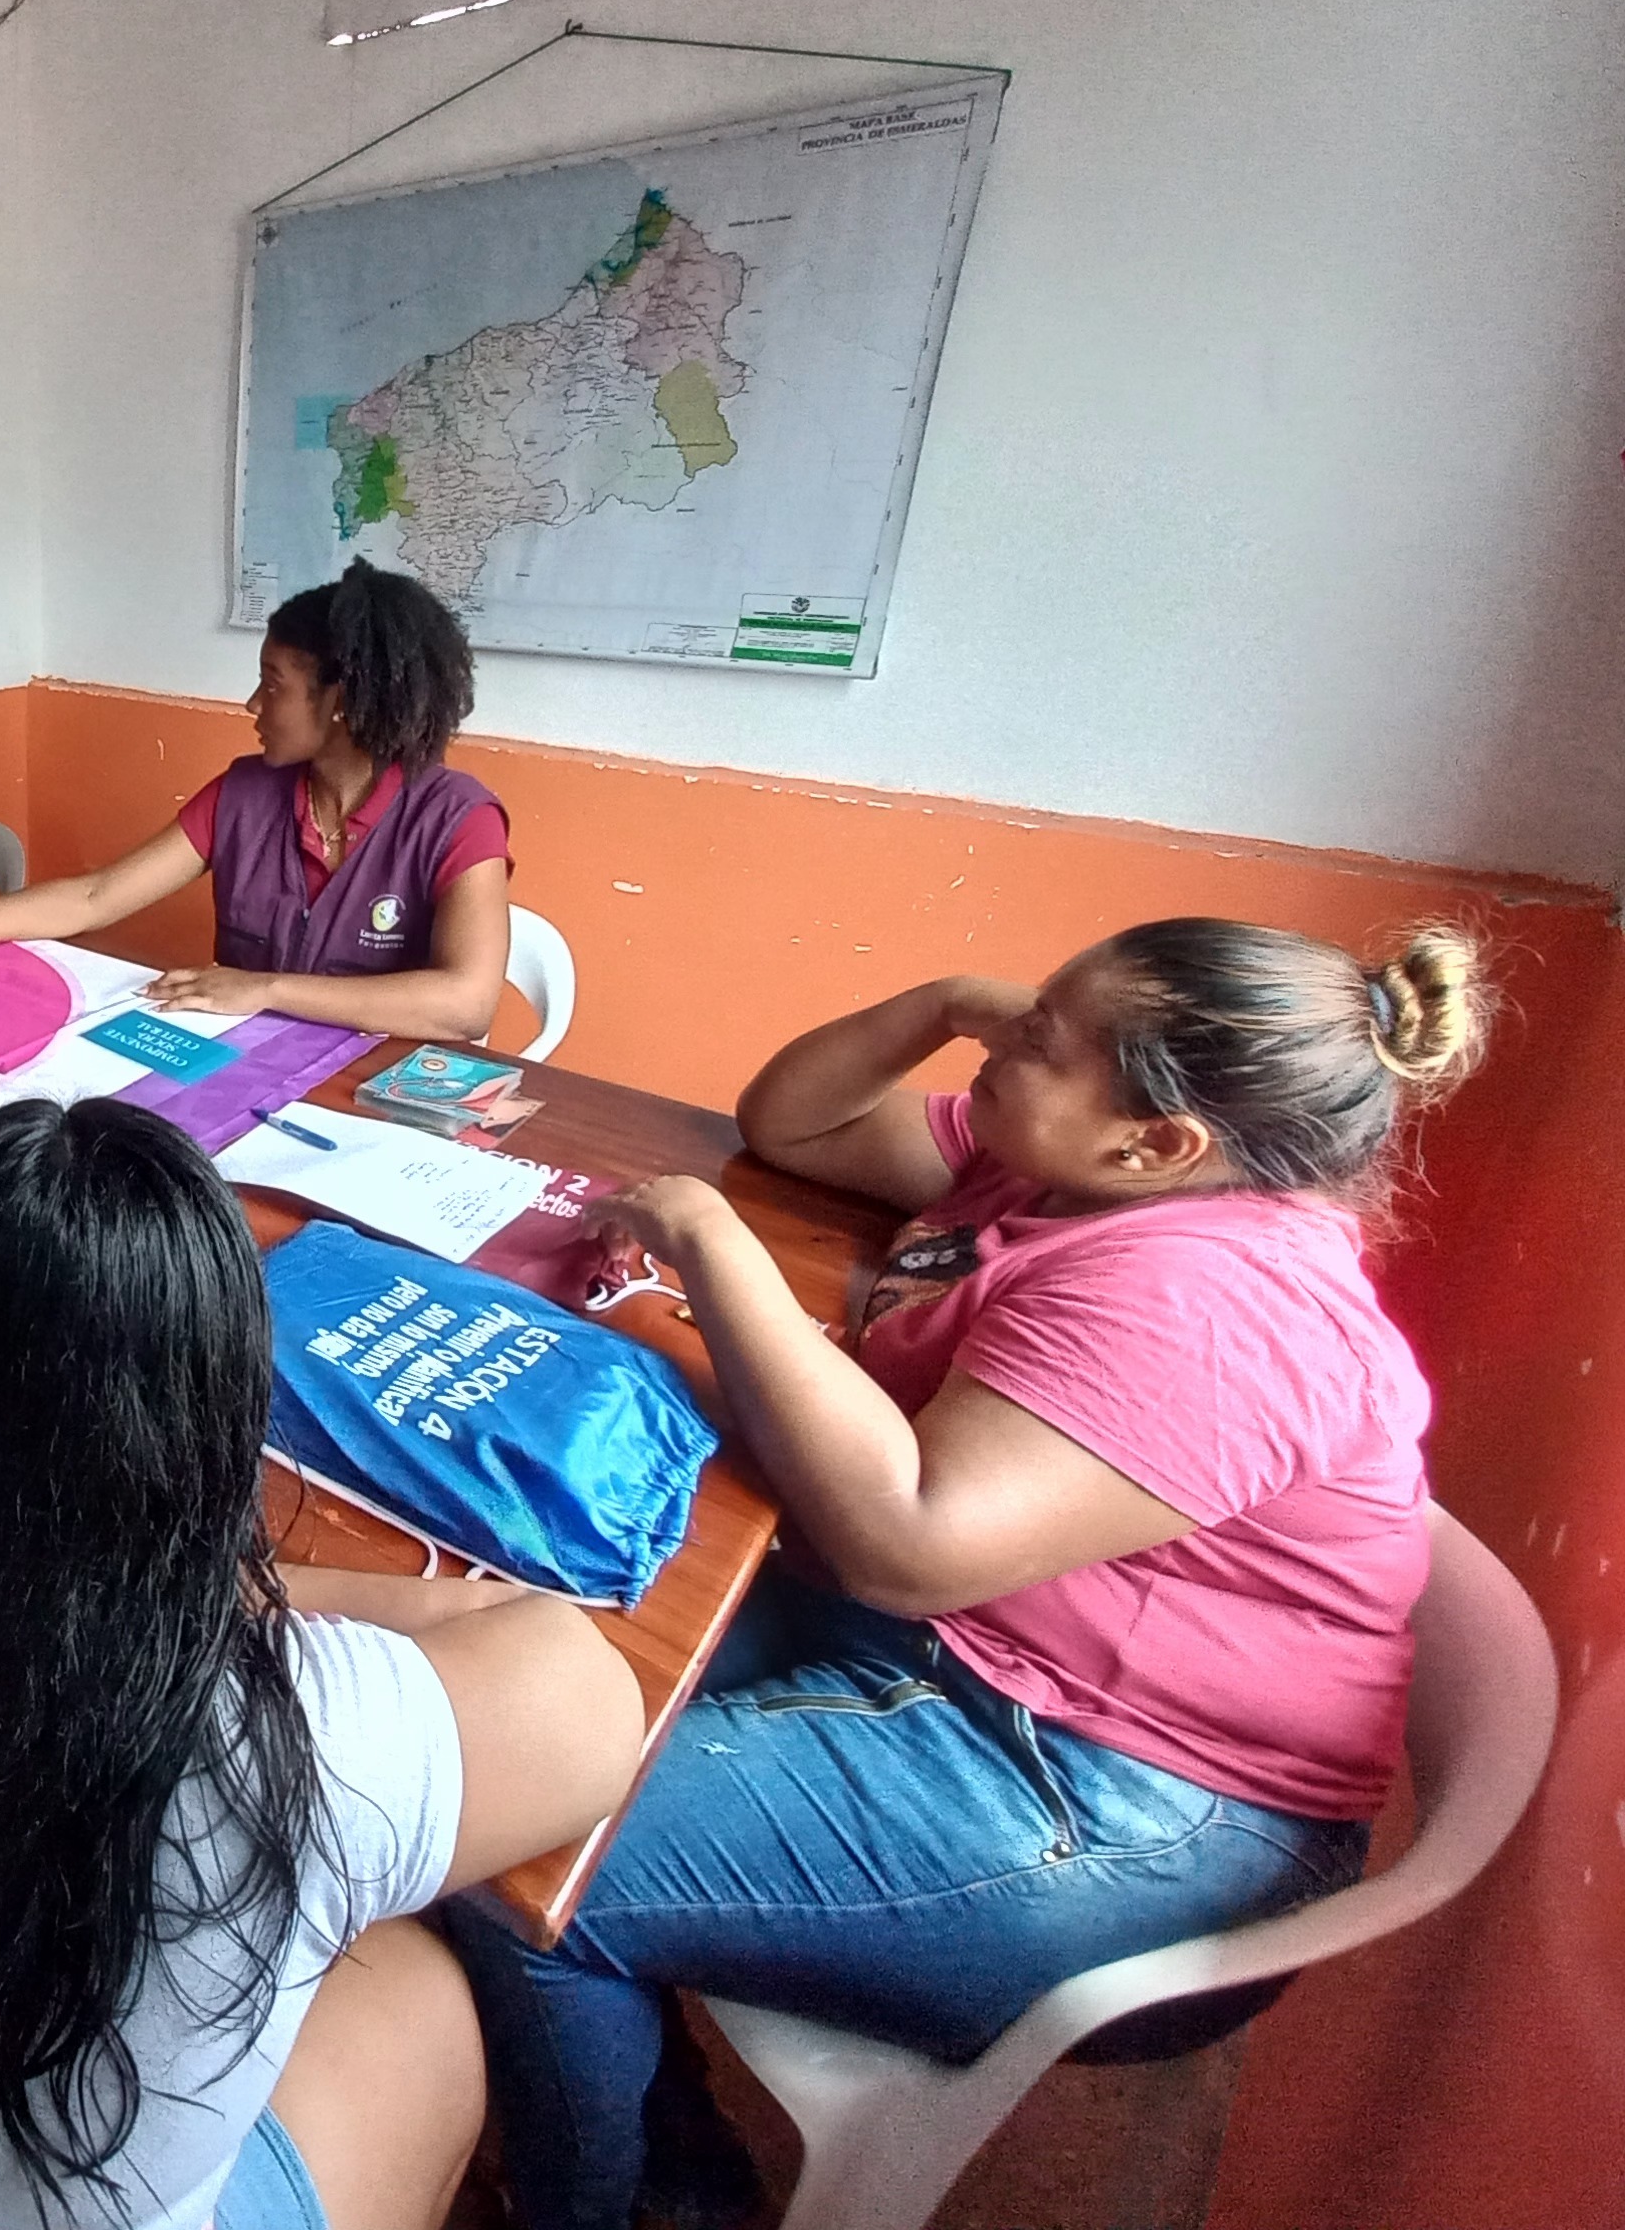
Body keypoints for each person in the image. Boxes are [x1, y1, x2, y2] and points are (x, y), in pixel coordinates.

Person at [439, 919, 1489, 2230]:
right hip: (975, 1653)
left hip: (1124, 1794)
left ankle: (637, 2202)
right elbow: (797, 1125)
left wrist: (715, 1247)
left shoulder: (1209, 1302)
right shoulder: (1059, 1168)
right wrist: (943, 1002)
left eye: (1042, 1040)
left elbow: (906, 1545)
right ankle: (655, 2129)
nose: (1002, 1043)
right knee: (536, 1635)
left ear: (1158, 1143)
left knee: (516, 1846)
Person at [0, 1097, 646, 2230]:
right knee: (421, 2001)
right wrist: (191, 1577)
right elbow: (588, 1696)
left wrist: (66, 1531)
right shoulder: (294, 1738)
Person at [0, 563, 511, 1041]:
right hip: (248, 1058)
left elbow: (466, 1003)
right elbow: (95, 897)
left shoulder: (458, 820)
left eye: (272, 685)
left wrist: (266, 988)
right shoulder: (245, 794)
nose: (252, 705)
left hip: (377, 1086)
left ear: (340, 702)